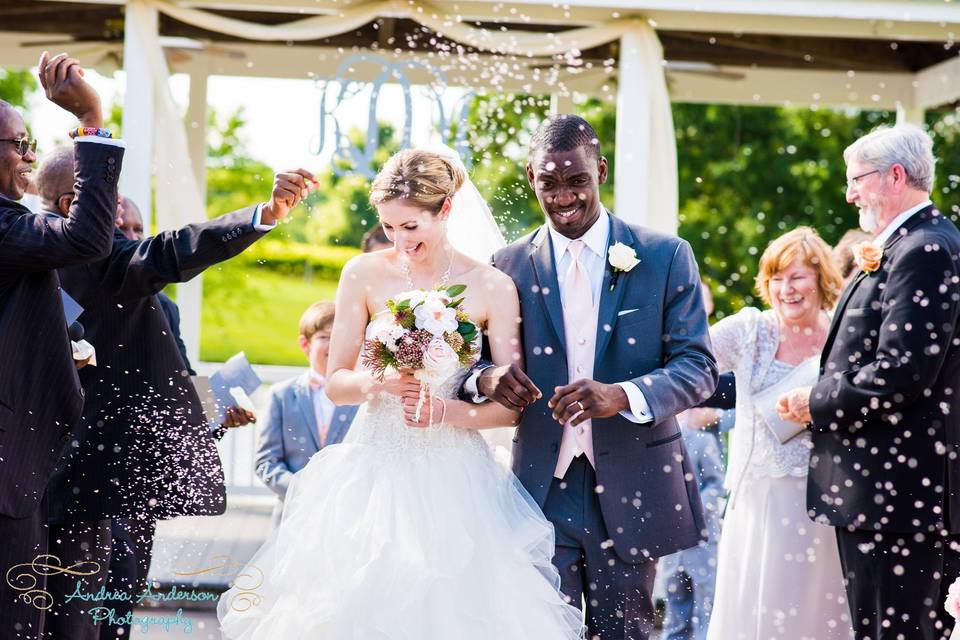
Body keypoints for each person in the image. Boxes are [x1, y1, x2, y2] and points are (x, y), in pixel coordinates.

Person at [219, 148, 585, 638]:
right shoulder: (363, 274)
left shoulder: (492, 285)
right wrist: (378, 382)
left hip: (457, 479)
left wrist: (446, 411)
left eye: (411, 227)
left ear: (446, 210)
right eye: (389, 227)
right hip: (374, 465)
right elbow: (337, 382)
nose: (399, 240)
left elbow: (510, 409)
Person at [34, 145, 314, 638]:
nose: (131, 239)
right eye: (122, 226)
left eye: (137, 231)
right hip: (49, 471)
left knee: (113, 603)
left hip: (123, 478)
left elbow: (181, 372)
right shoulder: (39, 265)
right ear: (68, 207)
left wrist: (213, 415)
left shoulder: (160, 303)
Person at [466, 114, 718, 639]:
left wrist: (621, 395)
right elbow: (471, 364)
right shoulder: (506, 265)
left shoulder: (664, 256)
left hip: (632, 482)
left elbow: (698, 368)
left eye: (576, 180)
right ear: (530, 179)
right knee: (538, 630)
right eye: (548, 183)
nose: (562, 197)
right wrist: (488, 380)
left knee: (624, 633)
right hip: (539, 485)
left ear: (599, 171)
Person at [779, 124, 960, 640]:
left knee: (895, 631)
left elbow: (902, 372)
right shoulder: (909, 245)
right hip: (889, 492)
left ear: (895, 176)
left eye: (857, 179)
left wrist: (816, 402)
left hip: (900, 496)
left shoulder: (924, 250)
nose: (850, 192)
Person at [0, 52, 122, 640]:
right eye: (17, 143)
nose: (27, 155)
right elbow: (90, 238)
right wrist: (92, 120)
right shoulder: (4, 227)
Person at [705, 227, 853, 639]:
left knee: (815, 613)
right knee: (755, 612)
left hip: (821, 500)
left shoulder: (843, 336)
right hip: (757, 499)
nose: (786, 289)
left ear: (821, 278)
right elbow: (689, 356)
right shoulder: (751, 330)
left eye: (797, 276)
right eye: (776, 277)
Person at [657, 282, 725, 640]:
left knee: (706, 602)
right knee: (674, 599)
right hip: (672, 531)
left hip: (703, 527)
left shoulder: (714, 345)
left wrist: (703, 509)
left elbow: (715, 480)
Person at [254, 300, 359, 526]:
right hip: (292, 518)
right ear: (305, 344)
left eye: (340, 337)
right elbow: (266, 461)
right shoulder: (280, 396)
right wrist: (299, 488)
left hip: (347, 519)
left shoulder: (362, 397)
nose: (334, 345)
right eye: (324, 337)